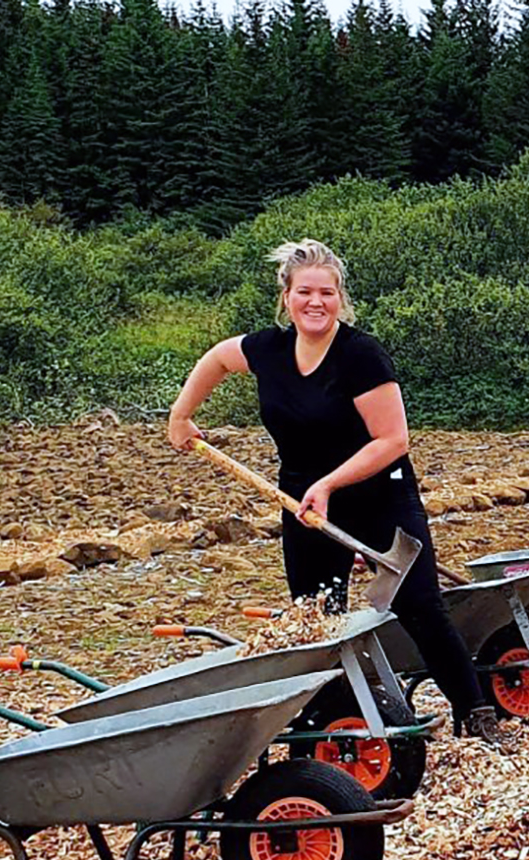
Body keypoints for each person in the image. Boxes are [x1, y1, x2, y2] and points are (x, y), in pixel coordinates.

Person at [168, 239, 509, 746]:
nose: (315, 302)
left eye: (326, 292)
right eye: (304, 291)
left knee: (418, 604)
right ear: (286, 296)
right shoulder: (268, 349)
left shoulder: (360, 356)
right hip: (303, 502)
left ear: (340, 298)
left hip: (379, 495)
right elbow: (216, 359)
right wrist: (181, 414)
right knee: (315, 616)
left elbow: (394, 440)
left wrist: (328, 484)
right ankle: (333, 725)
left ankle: (476, 712)